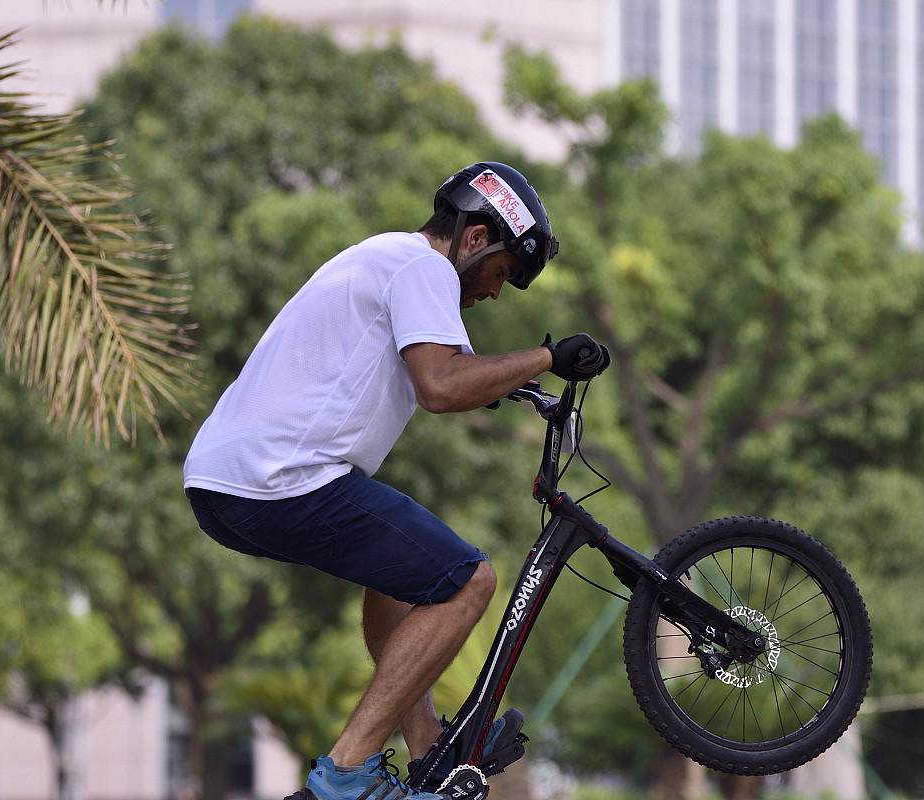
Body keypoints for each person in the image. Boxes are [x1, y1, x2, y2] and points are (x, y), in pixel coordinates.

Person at [183, 162, 610, 800]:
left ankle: (427, 752)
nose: (496, 293)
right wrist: (551, 356)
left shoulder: (387, 259)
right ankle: (347, 773)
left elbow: (456, 368)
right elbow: (441, 387)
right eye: (502, 274)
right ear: (475, 239)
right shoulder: (424, 268)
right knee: (470, 582)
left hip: (230, 483)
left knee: (396, 581)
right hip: (280, 479)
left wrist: (520, 387)